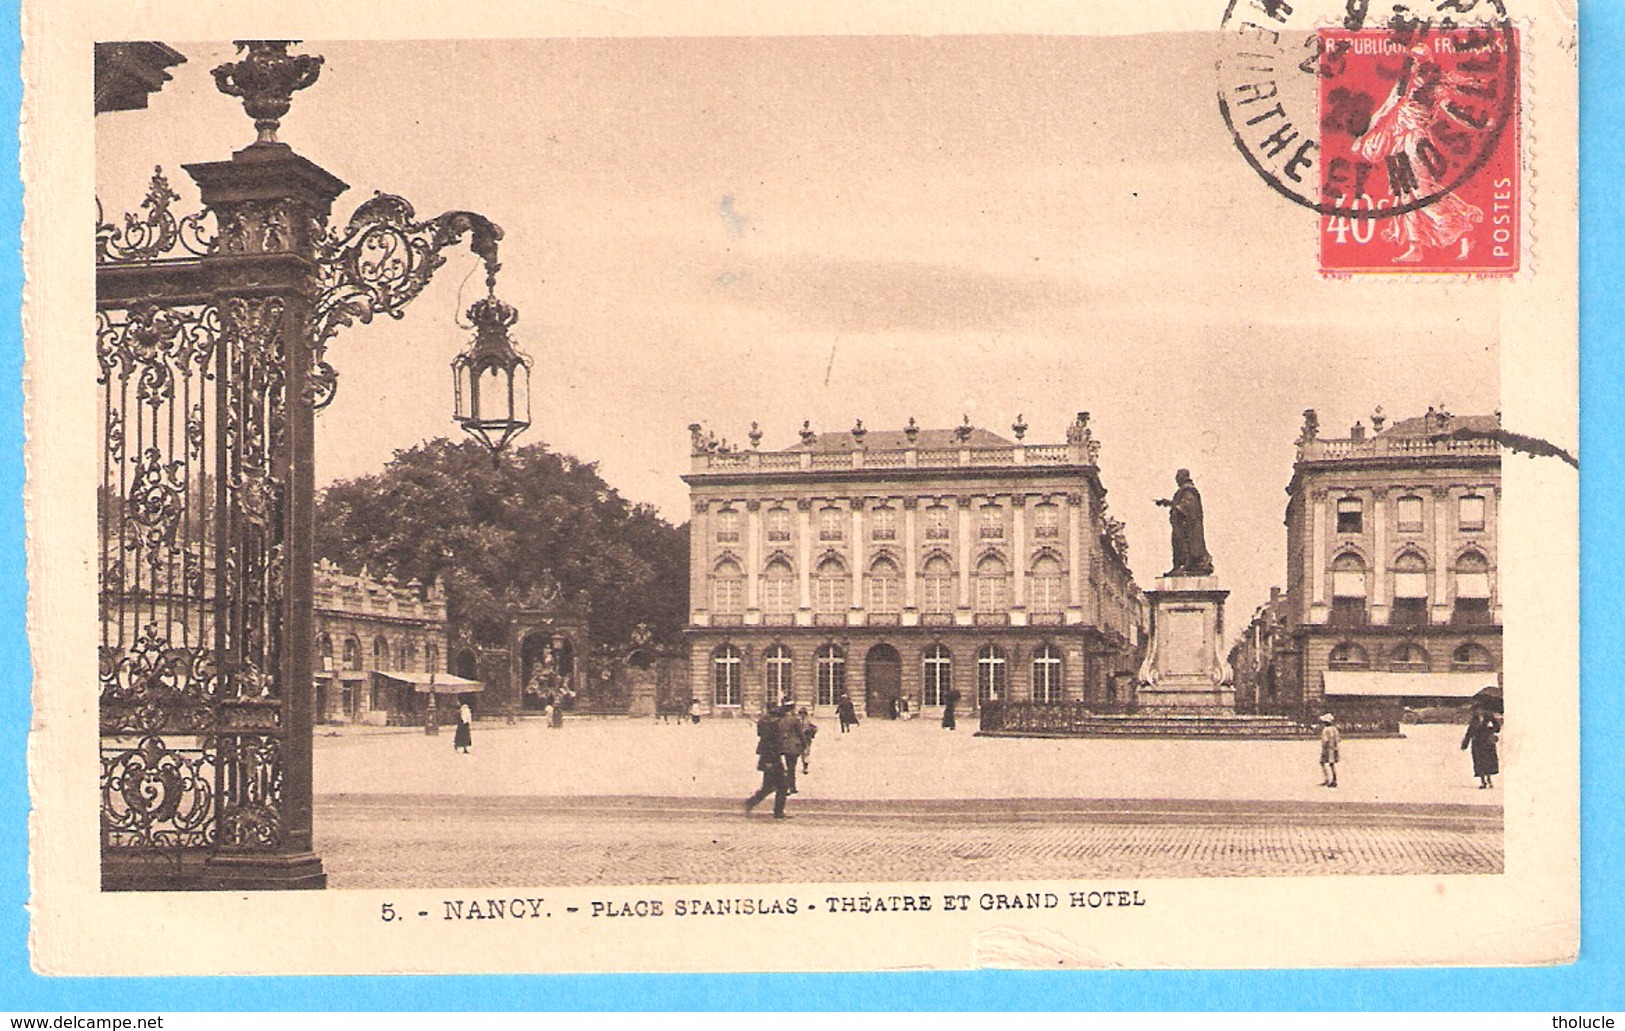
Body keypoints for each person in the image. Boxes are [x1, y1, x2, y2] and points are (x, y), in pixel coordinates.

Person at [1154, 469, 1215, 577]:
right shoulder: (1184, 490)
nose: (1176, 479)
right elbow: (1181, 503)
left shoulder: (1188, 490)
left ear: (1183, 477)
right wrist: (1168, 503)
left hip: (1188, 527)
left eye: (1177, 477)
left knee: (1186, 545)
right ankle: (1181, 565)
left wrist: (1177, 508)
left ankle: (1189, 564)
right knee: (1179, 545)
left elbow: (1188, 505)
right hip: (1182, 525)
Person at [744, 704, 796, 819]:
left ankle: (751, 803)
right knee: (782, 786)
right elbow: (771, 746)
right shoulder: (772, 728)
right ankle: (778, 812)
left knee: (768, 787)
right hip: (772, 760)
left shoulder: (766, 725)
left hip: (769, 759)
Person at [1461, 705, 1503, 789]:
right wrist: (1465, 744)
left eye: (1477, 710)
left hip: (1487, 743)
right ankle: (1483, 781)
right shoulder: (1475, 719)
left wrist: (1489, 730)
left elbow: (1497, 728)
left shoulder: (1489, 717)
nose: (1476, 712)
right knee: (1479, 762)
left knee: (1488, 761)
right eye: (1475, 711)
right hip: (1477, 743)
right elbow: (1469, 732)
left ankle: (1489, 779)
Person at [1319, 712, 1340, 788]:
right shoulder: (1334, 729)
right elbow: (1338, 739)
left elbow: (1325, 740)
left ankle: (1327, 779)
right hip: (1334, 748)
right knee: (1332, 764)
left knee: (1322, 763)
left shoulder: (1325, 730)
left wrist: (1323, 748)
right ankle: (1334, 780)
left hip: (1327, 749)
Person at [796, 707, 818, 774]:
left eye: (803, 713)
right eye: (800, 713)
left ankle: (805, 767)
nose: (802, 715)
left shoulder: (809, 720)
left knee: (805, 753)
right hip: (798, 739)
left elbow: (815, 728)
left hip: (806, 739)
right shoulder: (797, 720)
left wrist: (811, 734)